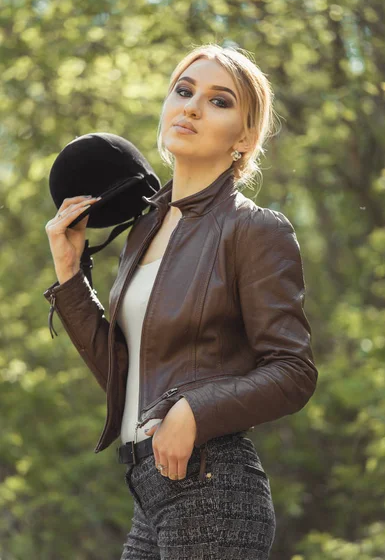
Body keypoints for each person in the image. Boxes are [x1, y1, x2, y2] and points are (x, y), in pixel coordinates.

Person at [44, 43, 318, 559]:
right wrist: (70, 275)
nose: (191, 106)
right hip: (148, 490)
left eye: (219, 101)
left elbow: (294, 371)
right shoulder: (145, 229)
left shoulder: (253, 229)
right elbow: (125, 381)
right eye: (184, 90)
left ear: (244, 137)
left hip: (212, 485)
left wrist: (195, 410)